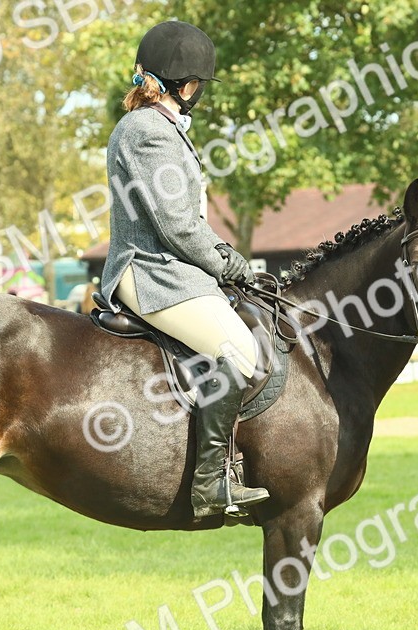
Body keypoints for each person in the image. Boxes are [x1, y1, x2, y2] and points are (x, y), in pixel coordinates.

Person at [99, 20, 269, 519]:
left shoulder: (159, 126)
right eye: (199, 84)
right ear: (186, 83)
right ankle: (210, 485)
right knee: (240, 351)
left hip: (172, 269)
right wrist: (229, 262)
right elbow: (176, 225)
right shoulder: (147, 130)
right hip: (152, 270)